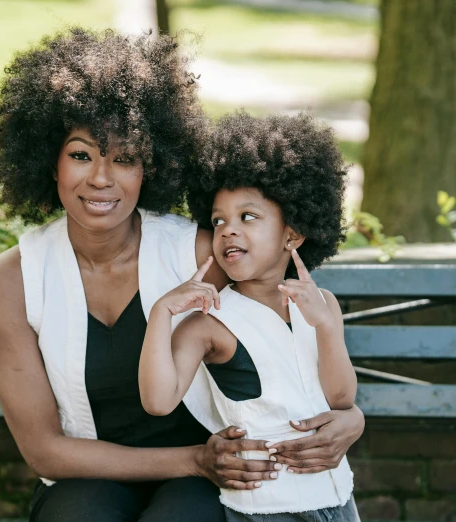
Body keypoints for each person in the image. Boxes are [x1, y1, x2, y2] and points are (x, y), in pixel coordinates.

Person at [0, 28, 366, 522]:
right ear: (49, 162)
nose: (101, 178)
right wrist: (191, 461)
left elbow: (285, 349)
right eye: (81, 155)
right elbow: (45, 451)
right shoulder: (14, 280)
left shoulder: (201, 251)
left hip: (215, 469)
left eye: (125, 158)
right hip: (95, 472)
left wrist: (351, 418)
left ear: (151, 169)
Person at [139, 111, 359, 521]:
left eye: (248, 216)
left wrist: (326, 325)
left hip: (337, 497)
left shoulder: (321, 304)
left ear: (291, 235)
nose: (227, 230)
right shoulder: (210, 323)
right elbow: (157, 401)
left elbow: (341, 398)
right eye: (219, 219)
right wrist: (160, 314)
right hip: (264, 507)